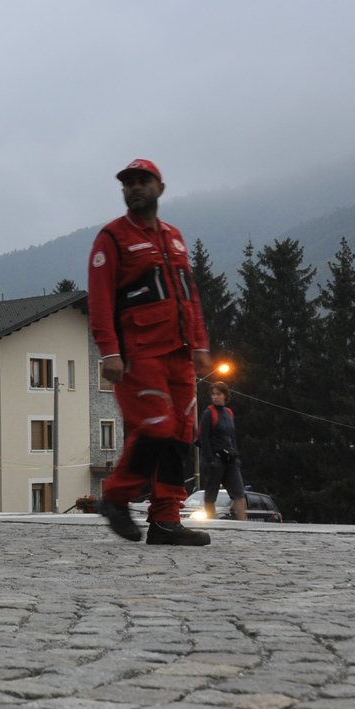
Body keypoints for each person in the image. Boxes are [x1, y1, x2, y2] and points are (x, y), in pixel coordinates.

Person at [88, 158, 213, 547]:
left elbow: (188, 295)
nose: (135, 187)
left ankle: (165, 521)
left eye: (143, 181)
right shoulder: (112, 238)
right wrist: (109, 351)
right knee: (156, 427)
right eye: (128, 183)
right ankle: (116, 496)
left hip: (179, 354)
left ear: (160, 188)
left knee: (180, 435)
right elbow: (100, 298)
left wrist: (201, 345)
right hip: (139, 353)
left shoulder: (174, 237)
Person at [198, 381, 248, 520]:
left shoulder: (229, 413)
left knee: (239, 492)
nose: (215, 397)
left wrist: (236, 456)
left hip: (230, 459)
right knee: (211, 494)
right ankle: (211, 522)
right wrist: (209, 460)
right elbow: (203, 438)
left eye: (218, 394)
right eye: (213, 394)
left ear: (225, 395)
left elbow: (232, 437)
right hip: (214, 458)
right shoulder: (209, 413)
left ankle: (244, 523)